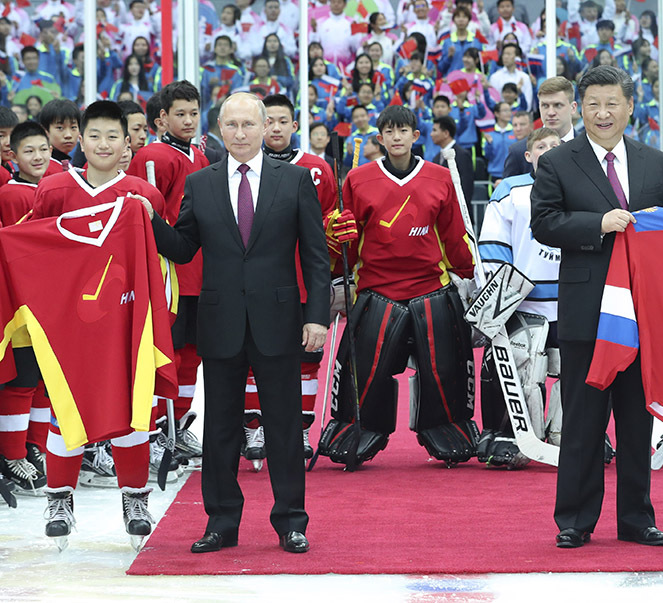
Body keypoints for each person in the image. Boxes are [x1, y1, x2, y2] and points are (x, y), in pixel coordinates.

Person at [143, 92, 330, 554]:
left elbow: (315, 256)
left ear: (266, 127)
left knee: (284, 427)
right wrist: (147, 219)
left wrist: (318, 318)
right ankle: (221, 522)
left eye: (250, 125)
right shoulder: (201, 183)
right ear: (220, 130)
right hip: (221, 322)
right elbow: (184, 247)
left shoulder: (295, 180)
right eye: (232, 126)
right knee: (221, 428)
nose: (241, 134)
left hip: (281, 321)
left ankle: (291, 521)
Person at [530, 65, 663, 549]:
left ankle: (637, 519)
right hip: (587, 311)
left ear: (630, 106)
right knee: (583, 421)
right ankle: (574, 520)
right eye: (592, 103)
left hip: (644, 315)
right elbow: (545, 223)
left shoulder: (653, 161)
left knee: (638, 423)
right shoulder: (558, 161)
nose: (602, 112)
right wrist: (598, 223)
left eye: (612, 102)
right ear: (579, 108)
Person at [28, 101, 170, 550]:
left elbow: (160, 262)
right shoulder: (53, 190)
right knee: (64, 409)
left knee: (132, 412)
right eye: (95, 136)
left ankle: (134, 498)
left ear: (127, 143)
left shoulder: (143, 196)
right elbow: (33, 249)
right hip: (68, 324)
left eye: (114, 136)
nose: (104, 144)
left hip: (127, 321)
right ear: (80, 141)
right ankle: (59, 499)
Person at [317, 105, 477, 467]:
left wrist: (466, 272)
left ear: (415, 136)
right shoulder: (358, 179)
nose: (396, 137)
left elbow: (453, 234)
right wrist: (335, 237)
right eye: (389, 131)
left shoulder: (439, 177)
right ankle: (353, 428)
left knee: (444, 370)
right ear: (380, 137)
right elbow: (346, 243)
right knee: (365, 372)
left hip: (430, 286)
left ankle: (448, 427)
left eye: (403, 131)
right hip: (376, 288)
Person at [243, 93, 337, 460]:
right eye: (269, 121)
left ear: (295, 126)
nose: (276, 128)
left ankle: (298, 431)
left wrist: (339, 231)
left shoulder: (316, 168)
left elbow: (327, 220)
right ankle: (254, 429)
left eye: (283, 121)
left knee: (306, 358)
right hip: (259, 284)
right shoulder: (244, 167)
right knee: (253, 357)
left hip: (301, 282)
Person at [128, 81, 210, 472]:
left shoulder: (201, 153)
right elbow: (140, 217)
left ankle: (177, 422)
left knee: (192, 352)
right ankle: (155, 431)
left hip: (200, 269)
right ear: (161, 118)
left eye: (194, 112)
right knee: (165, 354)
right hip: (168, 272)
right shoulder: (153, 156)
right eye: (180, 113)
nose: (189, 120)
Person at [477, 127, 562, 467]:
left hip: (571, 300)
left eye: (556, 145)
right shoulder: (510, 190)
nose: (550, 149)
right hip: (525, 302)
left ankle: (573, 434)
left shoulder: (583, 186)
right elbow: (495, 246)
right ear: (528, 156)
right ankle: (505, 433)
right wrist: (505, 296)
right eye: (542, 146)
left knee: (575, 372)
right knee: (515, 369)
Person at [0, 121, 52, 497]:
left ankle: (35, 446)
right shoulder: (10, 194)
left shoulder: (55, 188)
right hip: (20, 302)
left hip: (52, 301)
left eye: (42, 150)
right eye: (29, 151)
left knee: (45, 379)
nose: (37, 157)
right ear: (12, 156)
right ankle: (12, 452)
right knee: (21, 378)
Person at [502, 76, 577, 179]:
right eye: (545, 106)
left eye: (558, 105)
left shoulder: (590, 148)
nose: (551, 113)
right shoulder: (518, 152)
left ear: (573, 108)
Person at [431, 114, 474, 208]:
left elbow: (466, 186)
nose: (431, 134)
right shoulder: (436, 158)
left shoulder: (462, 154)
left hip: (459, 211)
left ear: (446, 133)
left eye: (434, 130)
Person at [37, 99, 80, 176]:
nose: (68, 135)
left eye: (73, 127)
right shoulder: (42, 168)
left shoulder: (67, 166)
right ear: (45, 131)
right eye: (60, 128)